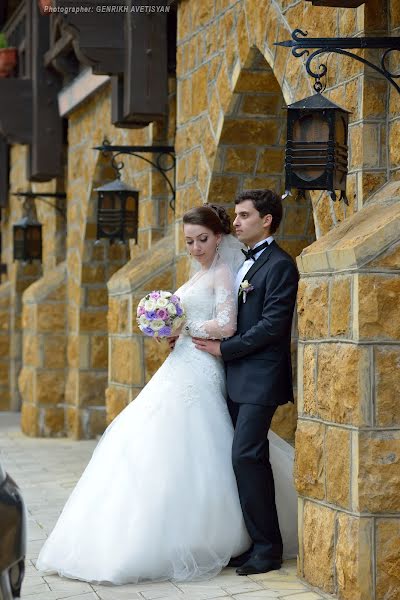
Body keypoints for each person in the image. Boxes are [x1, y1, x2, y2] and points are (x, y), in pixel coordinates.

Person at [36, 203, 296, 585]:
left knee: (227, 453)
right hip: (187, 366)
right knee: (180, 449)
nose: (195, 247)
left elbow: (228, 324)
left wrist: (185, 326)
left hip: (212, 366)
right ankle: (227, 537)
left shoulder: (235, 270)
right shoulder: (208, 273)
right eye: (189, 241)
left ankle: (257, 543)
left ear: (217, 237)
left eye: (202, 239)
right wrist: (168, 326)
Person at [193, 190, 299, 576]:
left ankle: (269, 550)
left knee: (246, 455)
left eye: (244, 215)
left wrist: (226, 350)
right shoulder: (241, 264)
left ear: (266, 220)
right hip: (235, 377)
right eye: (236, 216)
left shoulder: (281, 265)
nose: (235, 222)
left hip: (260, 377)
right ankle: (256, 541)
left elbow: (273, 327)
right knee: (245, 459)